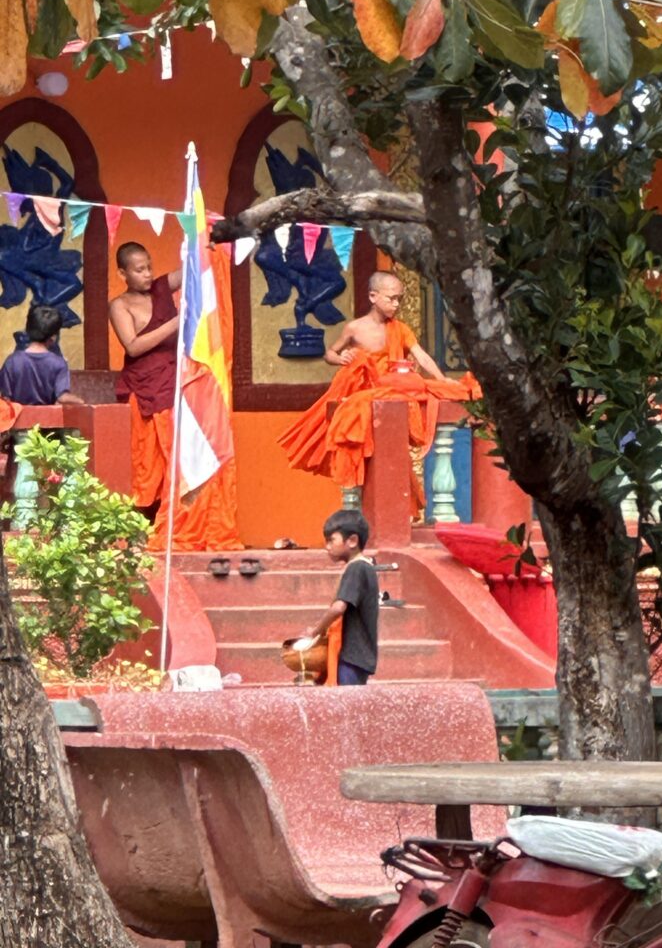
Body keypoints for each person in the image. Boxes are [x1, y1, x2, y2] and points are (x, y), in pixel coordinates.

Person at [279, 270, 480, 495]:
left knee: (426, 388)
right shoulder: (354, 328)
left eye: (400, 300)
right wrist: (340, 358)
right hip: (366, 389)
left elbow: (420, 355)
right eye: (391, 298)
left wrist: (442, 379)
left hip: (392, 387)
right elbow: (330, 353)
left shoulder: (400, 329)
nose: (396, 305)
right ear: (373, 297)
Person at [109, 241, 242, 551]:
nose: (146, 274)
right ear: (122, 272)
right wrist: (176, 322)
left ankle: (188, 524)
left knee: (184, 458)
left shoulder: (160, 287)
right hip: (145, 390)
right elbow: (133, 346)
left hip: (177, 385)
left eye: (149, 267)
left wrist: (202, 239)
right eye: (138, 270)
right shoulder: (120, 305)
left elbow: (192, 273)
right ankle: (144, 532)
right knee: (149, 466)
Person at [0, 303, 83, 522]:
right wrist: (81, 402)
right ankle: (69, 522)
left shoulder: (13, 362)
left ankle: (23, 522)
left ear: (28, 330)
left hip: (21, 429)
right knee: (66, 470)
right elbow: (62, 397)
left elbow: (6, 397)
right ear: (53, 337)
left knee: (26, 467)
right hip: (52, 429)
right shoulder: (57, 363)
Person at [300, 509, 379, 686]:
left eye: (331, 540)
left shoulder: (357, 568)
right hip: (357, 656)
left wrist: (315, 632)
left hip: (351, 656)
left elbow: (338, 608)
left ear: (352, 541)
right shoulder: (364, 567)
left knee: (347, 708)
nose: (327, 546)